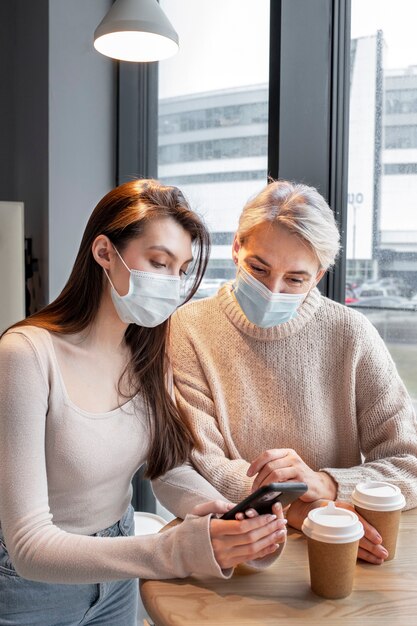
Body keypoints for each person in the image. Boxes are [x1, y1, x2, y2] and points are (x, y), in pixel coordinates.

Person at [0, 179, 287, 626]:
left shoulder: (148, 352)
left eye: (180, 269)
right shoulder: (26, 355)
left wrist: (215, 511)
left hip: (119, 574)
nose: (172, 284)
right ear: (103, 252)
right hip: (33, 590)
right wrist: (178, 550)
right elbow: (30, 548)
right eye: (158, 262)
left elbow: (164, 467)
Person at [153, 179, 417, 566]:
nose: (272, 290)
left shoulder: (351, 333)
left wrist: (326, 483)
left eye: (295, 279)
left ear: (320, 274)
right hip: (242, 546)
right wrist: (297, 507)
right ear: (237, 248)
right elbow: (200, 463)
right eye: (258, 268)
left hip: (338, 544)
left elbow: (407, 463)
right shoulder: (187, 329)